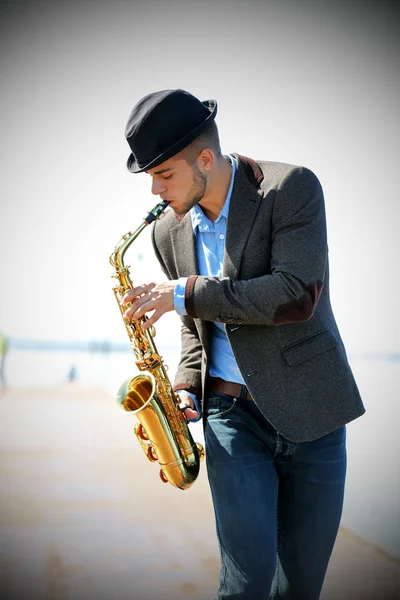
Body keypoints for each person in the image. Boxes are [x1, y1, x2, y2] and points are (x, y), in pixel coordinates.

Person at [121, 89, 365, 600]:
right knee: (245, 582)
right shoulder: (166, 232)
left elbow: (296, 294)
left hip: (314, 413)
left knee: (300, 587)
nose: (154, 192)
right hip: (230, 417)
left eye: (164, 175)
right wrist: (186, 387)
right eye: (151, 178)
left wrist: (186, 292)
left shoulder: (292, 188)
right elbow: (195, 327)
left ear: (204, 159)